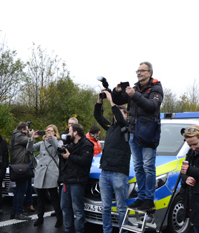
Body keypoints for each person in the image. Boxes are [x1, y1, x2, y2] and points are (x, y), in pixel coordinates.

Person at [112, 61, 163, 211]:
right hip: (134, 133)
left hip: (148, 134)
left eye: (142, 70)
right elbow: (117, 100)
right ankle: (141, 197)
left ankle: (149, 199)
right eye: (137, 70)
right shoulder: (133, 88)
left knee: (148, 167)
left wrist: (135, 95)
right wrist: (117, 91)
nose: (139, 73)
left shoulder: (156, 88)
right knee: (138, 167)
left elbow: (151, 106)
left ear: (150, 73)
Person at [94, 90, 131, 233]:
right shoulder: (110, 127)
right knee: (105, 207)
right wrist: (99, 101)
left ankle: (124, 231)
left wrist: (112, 101)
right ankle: (107, 231)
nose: (117, 116)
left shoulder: (127, 127)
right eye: (117, 114)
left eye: (122, 113)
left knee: (121, 208)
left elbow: (121, 121)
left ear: (126, 115)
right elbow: (98, 116)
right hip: (105, 173)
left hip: (119, 173)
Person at [59, 123, 93, 233]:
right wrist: (63, 153)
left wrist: (69, 156)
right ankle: (68, 229)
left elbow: (85, 161)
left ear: (75, 132)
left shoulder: (87, 144)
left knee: (78, 209)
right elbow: (64, 162)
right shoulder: (70, 144)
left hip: (78, 181)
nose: (68, 134)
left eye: (69, 131)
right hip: (67, 179)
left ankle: (79, 230)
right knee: (65, 207)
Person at [27, 125, 63, 227]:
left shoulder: (58, 142)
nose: (48, 133)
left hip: (51, 172)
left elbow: (58, 149)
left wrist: (52, 138)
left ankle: (59, 219)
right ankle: (40, 218)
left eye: (51, 131)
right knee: (40, 198)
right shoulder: (42, 143)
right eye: (47, 131)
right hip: (41, 172)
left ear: (55, 133)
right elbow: (29, 149)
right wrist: (32, 138)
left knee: (54, 197)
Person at [9, 122, 33, 220]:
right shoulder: (19, 136)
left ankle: (14, 212)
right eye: (27, 130)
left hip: (18, 165)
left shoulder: (16, 135)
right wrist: (31, 136)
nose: (28, 131)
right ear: (23, 130)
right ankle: (19, 212)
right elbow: (29, 142)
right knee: (21, 189)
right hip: (21, 166)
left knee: (19, 189)